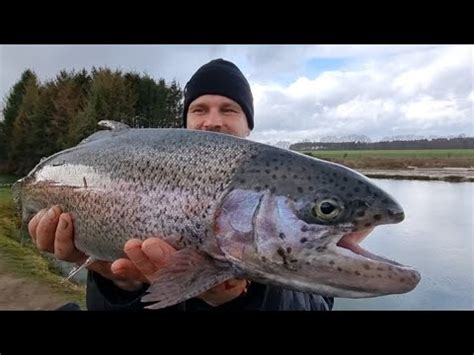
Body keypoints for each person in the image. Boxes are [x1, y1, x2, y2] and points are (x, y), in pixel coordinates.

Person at [27, 58, 334, 311]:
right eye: (199, 109)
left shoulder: (285, 203)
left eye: (229, 109)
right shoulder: (149, 181)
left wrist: (238, 299)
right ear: (184, 124)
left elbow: (317, 304)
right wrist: (119, 284)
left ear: (248, 125)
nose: (212, 121)